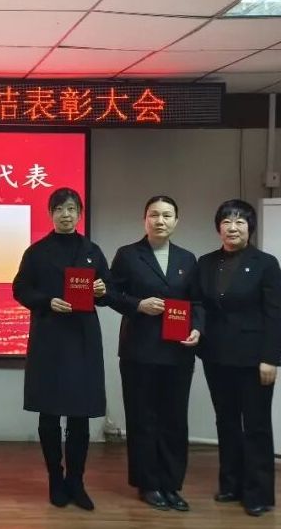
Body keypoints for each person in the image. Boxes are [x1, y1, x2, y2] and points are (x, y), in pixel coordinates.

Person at [12, 187, 114, 511]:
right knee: (49, 414)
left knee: (79, 416)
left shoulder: (92, 251)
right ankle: (55, 479)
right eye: (59, 209)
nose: (65, 214)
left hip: (83, 339)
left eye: (71, 209)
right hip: (49, 338)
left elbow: (108, 292)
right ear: (50, 214)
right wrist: (46, 301)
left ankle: (76, 482)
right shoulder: (37, 252)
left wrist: (102, 289)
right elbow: (20, 289)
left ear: (80, 213)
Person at [109, 196, 202, 512]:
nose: (160, 221)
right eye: (154, 215)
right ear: (144, 220)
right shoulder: (128, 255)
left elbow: (198, 302)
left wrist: (197, 328)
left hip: (178, 352)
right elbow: (110, 293)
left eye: (167, 215)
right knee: (142, 419)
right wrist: (138, 304)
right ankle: (148, 484)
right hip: (139, 351)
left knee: (174, 420)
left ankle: (171, 484)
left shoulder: (187, 258)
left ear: (176, 221)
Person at [196, 199, 281, 517]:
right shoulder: (205, 262)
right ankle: (231, 484)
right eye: (226, 222)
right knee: (227, 421)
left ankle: (258, 493)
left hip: (254, 359)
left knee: (256, 425)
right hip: (216, 357)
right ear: (218, 227)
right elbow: (200, 305)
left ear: (250, 228)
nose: (232, 228)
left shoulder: (266, 263)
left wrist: (271, 358)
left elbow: (275, 315)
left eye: (239, 222)